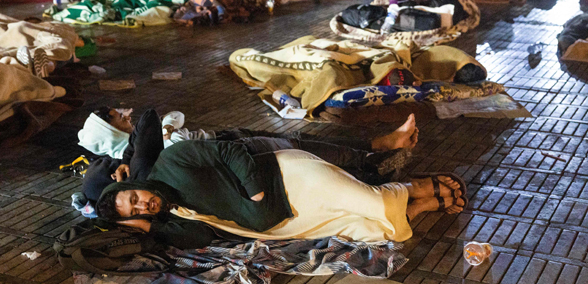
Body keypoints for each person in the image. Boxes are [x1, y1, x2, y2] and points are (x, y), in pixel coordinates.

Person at [95, 139, 466, 249]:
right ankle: (422, 207)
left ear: (134, 185)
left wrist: (254, 190)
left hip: (290, 178)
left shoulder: (172, 160)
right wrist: (147, 226)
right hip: (288, 219)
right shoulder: (174, 217)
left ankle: (414, 188)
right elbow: (200, 236)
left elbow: (229, 150)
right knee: (368, 231)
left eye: (135, 197)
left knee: (374, 202)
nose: (143, 203)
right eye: (136, 210)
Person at [78, 107, 420, 204]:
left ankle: (381, 147)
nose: (125, 113)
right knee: (307, 151)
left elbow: (148, 120)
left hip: (231, 141)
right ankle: (377, 162)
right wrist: (130, 158)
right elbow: (149, 118)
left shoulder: (133, 161)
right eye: (115, 116)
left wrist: (125, 155)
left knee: (303, 143)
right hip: (236, 153)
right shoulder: (139, 169)